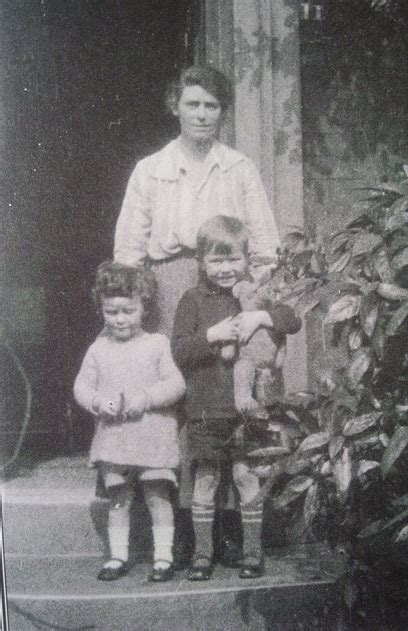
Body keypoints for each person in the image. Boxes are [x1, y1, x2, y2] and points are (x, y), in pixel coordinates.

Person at [113, 64, 281, 566]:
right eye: (193, 104)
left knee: (228, 394)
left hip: (229, 284)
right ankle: (181, 525)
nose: (203, 114)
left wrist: (256, 305)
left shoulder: (239, 167)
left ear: (222, 113)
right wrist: (138, 310)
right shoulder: (151, 168)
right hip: (169, 285)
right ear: (176, 107)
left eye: (212, 106)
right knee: (179, 395)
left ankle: (229, 526)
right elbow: (128, 247)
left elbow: (266, 242)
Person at [171, 216, 301, 580]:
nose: (226, 269)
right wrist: (212, 334)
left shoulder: (259, 294)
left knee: (247, 478)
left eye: (233, 259)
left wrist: (261, 316)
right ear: (200, 261)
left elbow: (292, 321)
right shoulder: (192, 300)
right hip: (207, 409)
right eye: (216, 260)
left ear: (247, 258)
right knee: (207, 480)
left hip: (252, 410)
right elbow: (179, 351)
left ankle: (252, 553)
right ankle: (201, 554)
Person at [73, 261, 185, 582]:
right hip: (116, 439)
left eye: (129, 311)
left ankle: (163, 557)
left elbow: (176, 385)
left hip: (152, 436)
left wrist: (145, 399)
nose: (120, 319)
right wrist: (98, 402)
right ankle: (118, 556)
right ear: (102, 311)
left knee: (157, 496)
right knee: (119, 499)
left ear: (143, 308)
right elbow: (82, 387)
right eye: (112, 312)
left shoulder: (157, 344)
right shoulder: (98, 349)